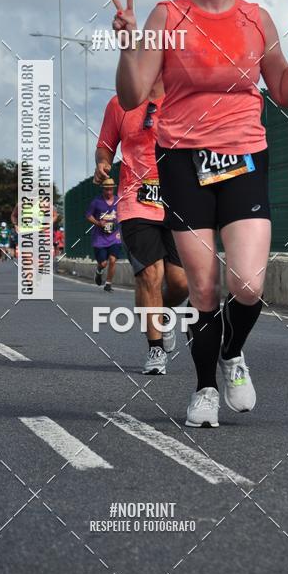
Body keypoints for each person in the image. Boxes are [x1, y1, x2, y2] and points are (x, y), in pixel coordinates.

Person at [110, 0, 288, 427]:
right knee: (205, 288)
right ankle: (205, 388)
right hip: (182, 160)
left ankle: (233, 353)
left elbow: (287, 95)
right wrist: (127, 46)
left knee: (249, 284)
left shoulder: (257, 19)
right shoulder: (167, 15)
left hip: (245, 156)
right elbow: (131, 95)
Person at [95, 86, 189, 375]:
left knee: (180, 283)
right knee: (150, 275)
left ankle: (163, 312)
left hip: (180, 199)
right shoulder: (119, 104)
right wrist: (102, 163)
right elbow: (106, 145)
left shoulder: (184, 97)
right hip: (136, 202)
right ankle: (155, 349)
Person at [86, 179, 123, 292]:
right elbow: (88, 215)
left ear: (113, 189)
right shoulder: (96, 202)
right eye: (106, 189)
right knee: (103, 263)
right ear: (103, 189)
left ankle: (108, 284)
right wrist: (98, 223)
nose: (108, 192)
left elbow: (123, 213)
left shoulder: (118, 201)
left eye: (110, 189)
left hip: (114, 237)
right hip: (100, 239)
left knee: (112, 260)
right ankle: (99, 271)